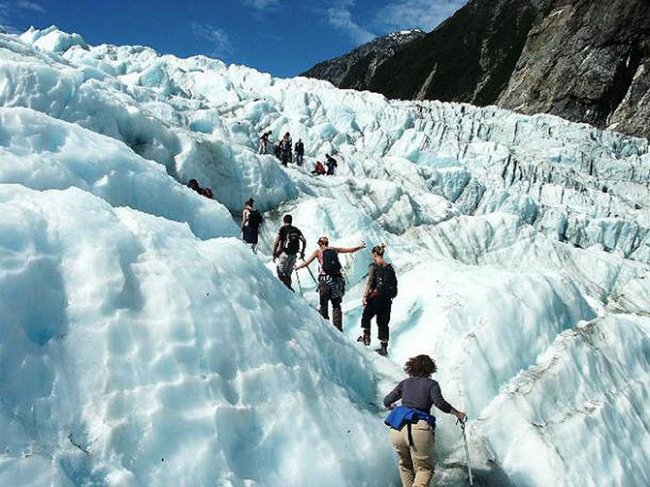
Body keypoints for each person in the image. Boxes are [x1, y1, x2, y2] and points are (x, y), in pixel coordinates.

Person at [384, 355, 467, 487]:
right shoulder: (431, 384)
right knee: (424, 469)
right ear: (430, 369)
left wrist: (391, 406)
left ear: (411, 367)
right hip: (419, 428)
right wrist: (457, 414)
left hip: (398, 428)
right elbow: (439, 403)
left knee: (405, 466)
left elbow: (386, 401)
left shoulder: (404, 383)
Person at [295, 237, 365, 331]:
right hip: (336, 280)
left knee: (323, 304)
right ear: (327, 243)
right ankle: (338, 328)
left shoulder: (318, 252)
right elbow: (350, 250)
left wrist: (297, 268)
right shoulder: (334, 249)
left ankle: (326, 327)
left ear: (320, 244)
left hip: (325, 280)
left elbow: (306, 263)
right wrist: (360, 247)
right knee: (336, 305)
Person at [357, 244, 398, 356]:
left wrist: (365, 296)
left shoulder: (373, 266)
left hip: (376, 297)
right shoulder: (389, 267)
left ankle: (366, 338)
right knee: (384, 322)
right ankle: (383, 348)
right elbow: (394, 284)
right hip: (387, 299)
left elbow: (370, 282)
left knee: (366, 315)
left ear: (375, 254)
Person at [272, 214, 306, 290]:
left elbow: (276, 242)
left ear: (284, 221)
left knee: (280, 272)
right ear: (291, 221)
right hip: (294, 255)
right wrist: (302, 252)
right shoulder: (296, 230)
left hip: (285, 254)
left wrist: (274, 254)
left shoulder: (283, 229)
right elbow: (304, 240)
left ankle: (287, 289)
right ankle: (289, 290)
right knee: (288, 274)